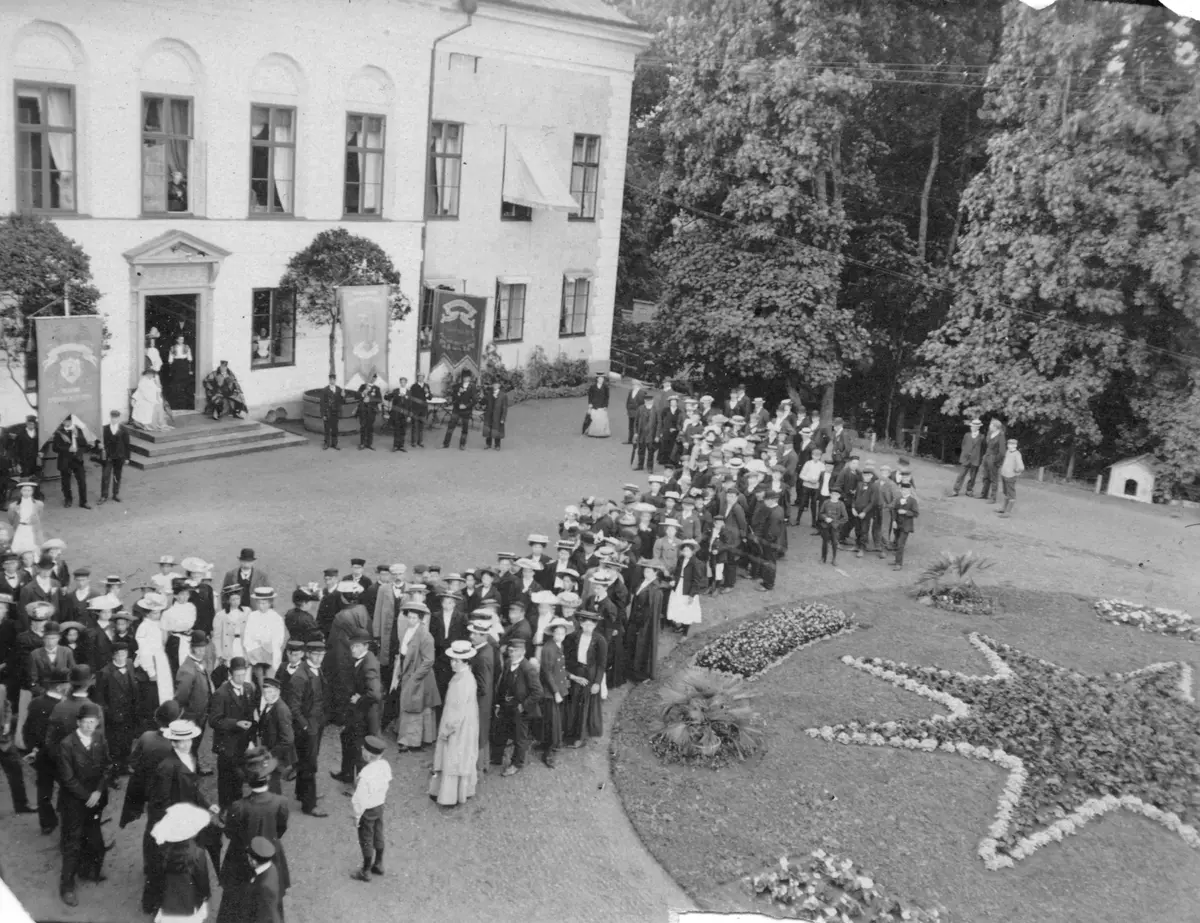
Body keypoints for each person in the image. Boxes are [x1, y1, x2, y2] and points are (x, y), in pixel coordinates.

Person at [218, 752, 290, 922]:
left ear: (248, 783)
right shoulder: (281, 802)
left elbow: (230, 833)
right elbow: (281, 829)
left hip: (241, 856)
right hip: (270, 853)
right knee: (270, 896)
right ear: (268, 778)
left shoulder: (238, 806)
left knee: (236, 898)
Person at [56, 700, 111, 907]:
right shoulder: (67, 744)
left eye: (93, 722)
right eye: (85, 722)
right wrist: (88, 796)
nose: (89, 726)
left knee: (94, 839)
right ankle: (67, 886)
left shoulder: (99, 738)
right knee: (73, 844)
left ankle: (88, 871)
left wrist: (98, 791)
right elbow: (67, 779)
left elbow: (107, 767)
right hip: (75, 802)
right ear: (78, 722)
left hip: (95, 799)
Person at [428, 639, 479, 806]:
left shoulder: (463, 681)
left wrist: (447, 730)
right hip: (464, 724)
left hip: (458, 728)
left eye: (457, 661)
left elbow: (457, 712)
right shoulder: (463, 676)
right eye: (452, 660)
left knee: (453, 758)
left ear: (466, 661)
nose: (452, 663)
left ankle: (449, 796)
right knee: (457, 758)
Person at [208, 657, 258, 810]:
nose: (241, 678)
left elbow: (251, 714)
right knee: (226, 781)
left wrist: (252, 739)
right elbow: (214, 721)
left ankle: (237, 810)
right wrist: (235, 723)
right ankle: (225, 810)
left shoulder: (249, 688)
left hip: (243, 743)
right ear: (230, 674)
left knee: (239, 778)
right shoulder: (221, 693)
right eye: (238, 675)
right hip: (227, 745)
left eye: (243, 674)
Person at [149, 802, 212, 923]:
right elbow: (202, 878)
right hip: (189, 899)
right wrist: (205, 894)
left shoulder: (161, 851)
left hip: (168, 899)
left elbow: (156, 877)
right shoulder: (197, 853)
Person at [390, 602, 439, 754]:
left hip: (420, 676)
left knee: (416, 706)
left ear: (420, 619)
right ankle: (405, 734)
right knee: (408, 703)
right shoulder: (408, 630)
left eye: (414, 618)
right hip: (407, 671)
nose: (411, 620)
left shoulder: (425, 635)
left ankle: (411, 740)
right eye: (409, 617)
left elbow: (429, 660)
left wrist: (415, 677)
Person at [489, 638, 543, 777]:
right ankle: (496, 758)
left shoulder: (528, 669)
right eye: (510, 650)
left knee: (520, 738)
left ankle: (516, 764)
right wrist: (498, 703)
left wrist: (523, 706)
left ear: (523, 652)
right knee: (500, 732)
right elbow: (502, 684)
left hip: (520, 709)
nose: (511, 653)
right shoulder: (508, 663)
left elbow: (538, 692)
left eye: (515, 651)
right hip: (506, 705)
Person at [336, 632, 379, 782]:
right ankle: (346, 774)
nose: (353, 649)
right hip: (356, 713)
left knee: (359, 749)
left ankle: (360, 786)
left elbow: (375, 694)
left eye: (356, 646)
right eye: (352, 646)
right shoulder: (363, 659)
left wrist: (360, 699)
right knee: (346, 738)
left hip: (364, 715)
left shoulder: (368, 664)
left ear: (365, 646)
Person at [350, 735, 391, 882]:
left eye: (363, 749)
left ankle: (365, 870)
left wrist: (356, 816)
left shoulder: (365, 775)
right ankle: (378, 863)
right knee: (378, 834)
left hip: (367, 811)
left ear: (367, 755)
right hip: (379, 806)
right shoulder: (385, 766)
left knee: (366, 838)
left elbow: (359, 800)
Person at [563, 609, 607, 748]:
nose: (588, 627)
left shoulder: (600, 640)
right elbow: (568, 656)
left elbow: (601, 664)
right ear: (581, 624)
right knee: (573, 702)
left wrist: (597, 683)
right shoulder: (573, 637)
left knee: (585, 705)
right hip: (577, 672)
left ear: (595, 625)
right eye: (585, 624)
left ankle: (580, 737)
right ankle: (569, 732)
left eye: (591, 625)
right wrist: (570, 675)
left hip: (590, 675)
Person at [94, 640, 138, 774]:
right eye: (119, 654)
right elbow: (99, 697)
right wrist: (109, 712)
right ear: (113, 655)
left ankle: (126, 764)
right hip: (114, 714)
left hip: (129, 711)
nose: (121, 657)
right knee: (115, 742)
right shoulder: (105, 672)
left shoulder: (130, 664)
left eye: (124, 654)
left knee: (128, 739)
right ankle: (116, 768)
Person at [627, 559, 665, 684]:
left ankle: (640, 675)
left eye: (648, 571)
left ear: (655, 573)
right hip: (635, 619)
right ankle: (631, 670)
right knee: (633, 644)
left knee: (642, 647)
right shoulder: (642, 582)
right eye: (645, 571)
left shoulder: (655, 589)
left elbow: (650, 611)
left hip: (645, 624)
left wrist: (641, 623)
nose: (645, 573)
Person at [0, 685, 34, 817]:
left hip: (4, 741)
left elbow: (7, 706)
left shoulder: (1, 689)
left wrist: (7, 722)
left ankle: (21, 805)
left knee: (15, 771)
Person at [52, 415, 94, 510]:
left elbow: (85, 445)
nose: (67, 423)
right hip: (65, 460)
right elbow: (55, 448)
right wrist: (67, 449)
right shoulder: (59, 433)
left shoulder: (78, 430)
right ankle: (68, 499)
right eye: (65, 421)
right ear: (63, 422)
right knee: (66, 482)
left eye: (69, 421)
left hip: (77, 460)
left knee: (82, 481)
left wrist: (78, 437)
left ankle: (83, 502)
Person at [666, 540, 704, 635]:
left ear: (692, 551)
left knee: (687, 610)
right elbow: (677, 572)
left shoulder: (696, 563)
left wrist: (691, 595)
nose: (685, 552)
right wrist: (674, 580)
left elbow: (696, 580)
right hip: (679, 586)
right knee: (679, 607)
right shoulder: (681, 559)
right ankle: (682, 627)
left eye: (687, 550)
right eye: (684, 550)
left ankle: (685, 634)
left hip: (688, 589)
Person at [99, 410, 132, 505]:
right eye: (113, 418)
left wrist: (127, 458)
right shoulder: (104, 429)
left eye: (116, 418)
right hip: (108, 457)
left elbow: (127, 444)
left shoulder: (123, 429)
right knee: (105, 476)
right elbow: (100, 441)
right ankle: (104, 495)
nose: (114, 419)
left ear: (119, 418)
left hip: (119, 456)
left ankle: (115, 494)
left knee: (117, 476)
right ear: (110, 417)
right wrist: (100, 446)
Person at [441, 369, 478, 450]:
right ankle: (445, 444)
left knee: (465, 429)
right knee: (450, 427)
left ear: (470, 378)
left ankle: (462, 444)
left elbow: (475, 400)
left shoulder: (473, 387)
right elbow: (453, 398)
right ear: (462, 377)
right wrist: (458, 393)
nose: (466, 378)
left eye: (467, 377)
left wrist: (466, 406)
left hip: (466, 411)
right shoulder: (457, 386)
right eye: (464, 377)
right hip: (456, 410)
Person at [8, 481, 45, 555]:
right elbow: (11, 519)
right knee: (19, 547)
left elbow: (39, 515)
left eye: (29, 490)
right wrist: (18, 524)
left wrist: (34, 522)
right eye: (24, 490)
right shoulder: (13, 506)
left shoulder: (39, 504)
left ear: (32, 492)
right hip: (20, 527)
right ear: (21, 491)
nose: (27, 493)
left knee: (34, 546)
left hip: (33, 527)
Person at [953, 418, 984, 498]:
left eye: (974, 426)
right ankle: (955, 490)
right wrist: (966, 453)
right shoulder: (967, 435)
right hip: (966, 458)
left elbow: (983, 449)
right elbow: (963, 445)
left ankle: (969, 490)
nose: (972, 427)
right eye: (971, 426)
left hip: (975, 459)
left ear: (978, 427)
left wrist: (979, 457)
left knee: (973, 477)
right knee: (961, 475)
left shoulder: (982, 437)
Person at [892, 480, 920, 568]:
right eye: (903, 490)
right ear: (901, 490)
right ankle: (896, 560)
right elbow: (894, 510)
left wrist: (905, 512)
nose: (904, 491)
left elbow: (916, 513)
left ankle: (898, 564)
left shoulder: (913, 501)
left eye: (906, 490)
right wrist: (894, 521)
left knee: (901, 544)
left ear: (909, 491)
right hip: (897, 525)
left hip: (906, 526)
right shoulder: (898, 499)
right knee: (897, 543)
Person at [979, 418, 1006, 504]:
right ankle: (984, 494)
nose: (989, 426)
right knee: (985, 476)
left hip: (994, 458)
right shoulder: (990, 433)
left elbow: (1002, 452)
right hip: (986, 456)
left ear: (995, 427)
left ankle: (993, 498)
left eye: (991, 425)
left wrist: (996, 460)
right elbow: (988, 445)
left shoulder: (1001, 436)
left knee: (994, 478)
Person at [997, 438, 1025, 518]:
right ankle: (1003, 509)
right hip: (1004, 475)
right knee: (1006, 493)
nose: (1009, 446)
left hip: (1011, 477)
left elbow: (1021, 467)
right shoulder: (1008, 452)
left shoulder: (1017, 454)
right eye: (1008, 444)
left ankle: (1008, 512)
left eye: (1011, 444)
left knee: (1011, 494)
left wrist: (1016, 471)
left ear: (1015, 445)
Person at [356, 374, 384, 451]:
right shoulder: (363, 386)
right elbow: (356, 396)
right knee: (363, 426)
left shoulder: (376, 388)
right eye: (371, 377)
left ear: (375, 379)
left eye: (374, 378)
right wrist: (362, 393)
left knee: (370, 427)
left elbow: (380, 399)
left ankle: (369, 444)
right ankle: (362, 443)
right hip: (362, 410)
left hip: (372, 410)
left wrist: (371, 399)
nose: (372, 379)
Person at [12, 414, 43, 483]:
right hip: (24, 462)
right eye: (29, 424)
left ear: (35, 424)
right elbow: (16, 449)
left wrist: (42, 451)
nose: (31, 425)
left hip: (36, 462)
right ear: (26, 423)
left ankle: (36, 489)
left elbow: (44, 444)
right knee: (25, 481)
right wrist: (17, 463)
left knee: (36, 480)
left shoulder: (39, 432)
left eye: (32, 424)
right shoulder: (20, 434)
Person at [633, 392, 659, 473]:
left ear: (653, 401)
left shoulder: (656, 410)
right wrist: (636, 432)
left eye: (650, 400)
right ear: (644, 401)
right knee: (641, 450)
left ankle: (650, 467)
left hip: (651, 435)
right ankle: (640, 465)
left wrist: (657, 435)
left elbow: (659, 423)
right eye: (647, 400)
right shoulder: (640, 408)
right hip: (641, 434)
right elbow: (636, 421)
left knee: (651, 451)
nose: (648, 402)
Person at [166, 336, 194, 410]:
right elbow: (170, 357)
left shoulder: (186, 347)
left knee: (185, 382)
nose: (181, 340)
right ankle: (176, 403)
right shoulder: (173, 347)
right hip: (176, 364)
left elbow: (189, 357)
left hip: (184, 363)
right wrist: (171, 364)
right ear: (177, 340)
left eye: (182, 339)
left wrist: (189, 366)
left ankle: (185, 403)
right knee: (176, 382)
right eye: (180, 339)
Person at [583, 372, 611, 438]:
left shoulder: (606, 387)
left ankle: (602, 432)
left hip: (602, 405)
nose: (601, 380)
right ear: (597, 379)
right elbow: (590, 396)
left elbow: (607, 397)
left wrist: (606, 405)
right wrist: (590, 403)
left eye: (602, 378)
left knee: (602, 419)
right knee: (594, 419)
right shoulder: (592, 387)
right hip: (594, 405)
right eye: (600, 378)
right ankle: (593, 432)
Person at [385, 378, 410, 452]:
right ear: (400, 383)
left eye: (404, 382)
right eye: (401, 382)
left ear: (406, 383)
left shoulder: (409, 392)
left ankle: (401, 446)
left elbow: (410, 405)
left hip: (405, 414)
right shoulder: (395, 391)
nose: (402, 383)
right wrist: (386, 394)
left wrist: (409, 416)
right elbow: (387, 398)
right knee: (396, 430)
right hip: (396, 414)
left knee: (403, 430)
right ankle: (395, 446)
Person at [482, 380, 508, 450]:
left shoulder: (503, 395)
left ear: (499, 386)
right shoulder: (489, 393)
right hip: (489, 415)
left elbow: (505, 408)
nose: (495, 386)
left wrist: (503, 418)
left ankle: (497, 445)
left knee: (497, 430)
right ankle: (488, 444)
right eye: (494, 384)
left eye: (497, 385)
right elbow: (483, 402)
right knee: (488, 429)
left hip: (498, 416)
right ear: (492, 385)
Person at [320, 375, 344, 451]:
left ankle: (334, 444)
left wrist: (343, 396)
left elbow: (343, 402)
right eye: (331, 379)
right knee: (327, 428)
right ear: (329, 380)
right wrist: (323, 414)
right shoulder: (325, 390)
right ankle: (326, 443)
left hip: (335, 412)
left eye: (333, 379)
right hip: (328, 412)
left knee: (335, 429)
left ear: (335, 380)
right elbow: (322, 403)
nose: (332, 381)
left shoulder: (339, 389)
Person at [408, 374, 432, 448]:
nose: (421, 378)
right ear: (417, 378)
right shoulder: (413, 386)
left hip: (423, 409)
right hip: (415, 409)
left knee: (421, 426)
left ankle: (420, 441)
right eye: (419, 377)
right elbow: (410, 398)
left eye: (422, 377)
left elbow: (430, 398)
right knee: (414, 426)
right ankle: (413, 442)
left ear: (423, 378)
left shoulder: (426, 386)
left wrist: (427, 392)